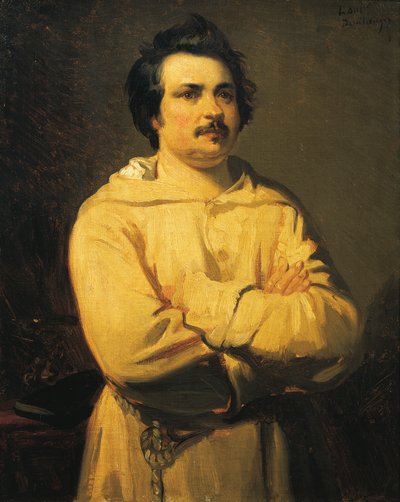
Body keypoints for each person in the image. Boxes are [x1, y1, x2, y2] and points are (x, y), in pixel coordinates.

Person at [69, 14, 362, 502]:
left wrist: (210, 304)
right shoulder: (110, 215)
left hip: (265, 455)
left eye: (224, 94)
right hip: (150, 458)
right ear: (154, 115)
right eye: (190, 94)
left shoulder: (276, 208)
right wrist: (271, 358)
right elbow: (135, 358)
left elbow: (337, 338)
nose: (213, 110)